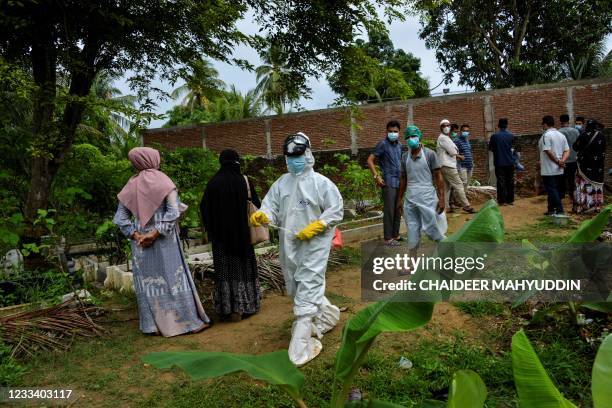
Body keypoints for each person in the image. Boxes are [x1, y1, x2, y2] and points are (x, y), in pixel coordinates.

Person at [249, 132, 343, 366]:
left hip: (314, 245)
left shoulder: (321, 183)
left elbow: (336, 209)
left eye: (297, 156)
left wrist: (318, 225)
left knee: (308, 285)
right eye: (289, 157)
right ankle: (329, 317)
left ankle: (299, 349)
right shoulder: (282, 182)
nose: (293, 161)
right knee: (299, 284)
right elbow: (270, 206)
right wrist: (263, 215)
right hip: (289, 245)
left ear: (308, 154)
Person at [113, 147, 211, 337]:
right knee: (173, 280)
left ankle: (152, 326)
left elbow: (121, 217)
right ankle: (187, 322)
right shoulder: (164, 181)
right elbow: (173, 211)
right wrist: (155, 234)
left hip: (141, 245)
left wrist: (136, 235)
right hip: (165, 242)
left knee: (149, 283)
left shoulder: (130, 186)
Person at [200, 149, 261, 322]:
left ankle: (229, 308)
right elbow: (257, 205)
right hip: (243, 237)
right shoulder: (244, 181)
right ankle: (248, 305)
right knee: (244, 269)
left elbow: (204, 210)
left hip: (221, 241)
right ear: (237, 161)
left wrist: (214, 230)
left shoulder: (213, 184)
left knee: (225, 271)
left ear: (221, 162)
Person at [397, 125, 446, 255]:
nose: (411, 139)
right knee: (412, 229)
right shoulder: (404, 157)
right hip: (410, 198)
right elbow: (403, 179)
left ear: (419, 137)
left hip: (427, 196)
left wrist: (442, 199)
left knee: (433, 229)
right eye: (408, 137)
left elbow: (438, 177)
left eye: (413, 136)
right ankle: (412, 263)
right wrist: (399, 199)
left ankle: (448, 255)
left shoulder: (430, 154)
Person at [367, 120, 404, 246]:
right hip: (388, 182)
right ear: (386, 131)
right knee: (389, 210)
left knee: (398, 208)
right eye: (390, 131)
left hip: (399, 181)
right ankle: (388, 238)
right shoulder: (382, 144)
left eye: (395, 131)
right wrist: (376, 176)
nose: (393, 133)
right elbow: (370, 160)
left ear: (399, 132)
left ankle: (396, 235)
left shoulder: (400, 145)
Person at [436, 119, 475, 213]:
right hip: (448, 165)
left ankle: (444, 207)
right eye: (444, 126)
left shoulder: (446, 138)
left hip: (446, 165)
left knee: (446, 187)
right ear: (441, 128)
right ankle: (466, 205)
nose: (446, 128)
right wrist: (458, 154)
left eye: (448, 125)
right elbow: (453, 151)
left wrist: (455, 153)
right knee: (459, 184)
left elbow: (453, 152)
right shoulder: (443, 138)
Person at [573, 119, 606, 213]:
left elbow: (575, 147)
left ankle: (584, 206)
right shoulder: (601, 136)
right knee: (596, 186)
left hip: (584, 166)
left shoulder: (583, 135)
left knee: (583, 185)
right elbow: (603, 150)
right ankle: (597, 207)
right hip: (598, 167)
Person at [539, 115, 570, 215]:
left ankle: (560, 210)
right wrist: (562, 161)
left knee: (552, 190)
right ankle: (551, 209)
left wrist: (558, 161)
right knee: (554, 189)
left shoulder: (546, 135)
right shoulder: (561, 135)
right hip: (559, 169)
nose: (542, 126)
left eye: (543, 124)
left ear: (545, 124)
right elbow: (567, 150)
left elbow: (548, 150)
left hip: (549, 169)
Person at [489, 118, 515, 205]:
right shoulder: (511, 136)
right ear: (507, 125)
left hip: (499, 162)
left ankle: (502, 201)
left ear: (498, 126)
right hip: (510, 162)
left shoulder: (494, 136)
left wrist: (498, 151)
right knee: (510, 181)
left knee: (501, 181)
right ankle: (510, 200)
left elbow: (490, 148)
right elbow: (515, 149)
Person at [558, 114, 580, 210]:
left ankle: (561, 197)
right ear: (569, 120)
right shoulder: (576, 131)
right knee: (572, 180)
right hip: (574, 159)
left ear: (560, 121)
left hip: (563, 160)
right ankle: (572, 197)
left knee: (561, 179)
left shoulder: (558, 132)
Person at [454, 124, 474, 197]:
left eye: (467, 131)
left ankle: (463, 199)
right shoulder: (457, 140)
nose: (466, 132)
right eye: (464, 131)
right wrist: (459, 156)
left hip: (470, 165)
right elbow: (452, 152)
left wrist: (472, 161)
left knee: (467, 183)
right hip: (462, 166)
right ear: (460, 131)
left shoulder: (467, 140)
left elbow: (470, 151)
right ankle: (459, 199)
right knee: (463, 183)